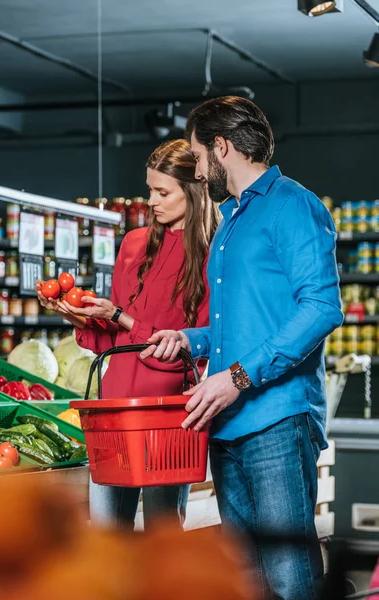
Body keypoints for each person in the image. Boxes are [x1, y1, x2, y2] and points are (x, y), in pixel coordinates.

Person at [140, 97, 343, 599]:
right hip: (227, 424)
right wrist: (191, 338)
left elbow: (321, 308)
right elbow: (243, 328)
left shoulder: (293, 205)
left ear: (221, 147)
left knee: (290, 578)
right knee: (246, 580)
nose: (197, 166)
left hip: (276, 419)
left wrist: (236, 377)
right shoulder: (229, 223)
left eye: (198, 154)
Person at [35, 138, 219, 531]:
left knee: (161, 533)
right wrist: (76, 315)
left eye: (162, 192)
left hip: (167, 414)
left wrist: (121, 316)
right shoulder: (135, 244)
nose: (152, 201)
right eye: (149, 189)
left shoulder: (213, 254)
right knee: (106, 534)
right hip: (114, 408)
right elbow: (112, 341)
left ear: (194, 190)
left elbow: (195, 344)